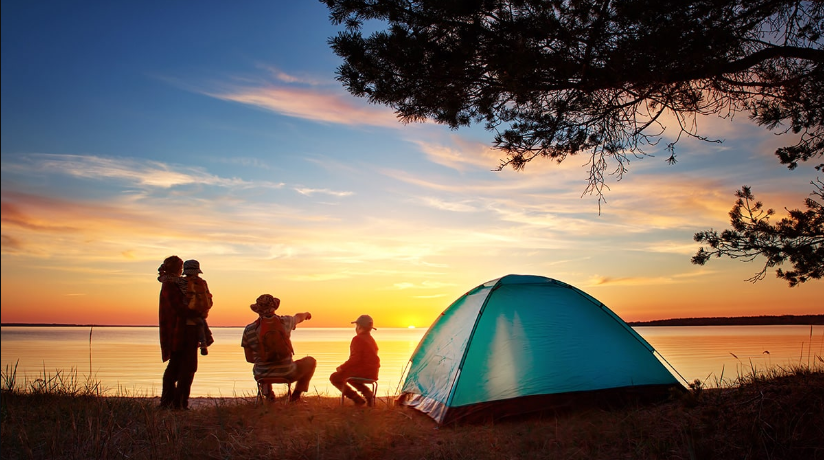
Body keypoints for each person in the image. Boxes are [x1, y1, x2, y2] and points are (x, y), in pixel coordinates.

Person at [241, 294, 316, 403]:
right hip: (287, 373)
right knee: (310, 361)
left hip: (262, 375)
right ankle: (295, 397)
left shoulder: (249, 330)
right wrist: (306, 314)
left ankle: (269, 396)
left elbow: (249, 359)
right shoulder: (286, 321)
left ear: (257, 310)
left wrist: (266, 359)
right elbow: (298, 317)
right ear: (274, 307)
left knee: (261, 366)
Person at [157, 255, 202, 410]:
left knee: (179, 367)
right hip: (180, 331)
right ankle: (175, 403)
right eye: (180, 267)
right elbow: (179, 308)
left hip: (183, 330)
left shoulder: (178, 283)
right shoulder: (170, 285)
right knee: (184, 368)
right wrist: (197, 312)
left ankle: (174, 402)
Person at [329, 314, 380, 406]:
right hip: (373, 373)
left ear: (359, 326)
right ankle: (367, 393)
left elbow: (355, 358)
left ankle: (357, 399)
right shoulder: (371, 340)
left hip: (362, 372)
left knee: (335, 377)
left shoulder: (357, 339)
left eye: (356, 325)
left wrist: (342, 367)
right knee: (349, 375)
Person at [177, 259, 214, 355]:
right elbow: (208, 298)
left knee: (201, 323)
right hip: (192, 316)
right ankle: (204, 343)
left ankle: (204, 343)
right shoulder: (200, 282)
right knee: (201, 323)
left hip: (191, 317)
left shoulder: (181, 282)